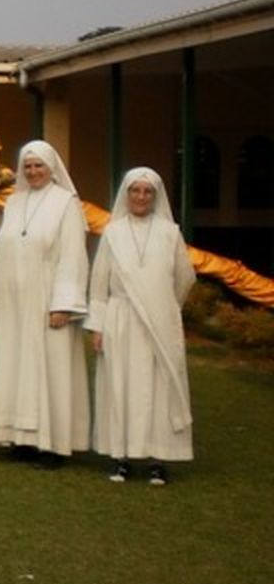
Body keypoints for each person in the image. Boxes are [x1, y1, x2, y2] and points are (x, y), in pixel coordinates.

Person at [0, 140, 89, 468]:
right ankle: (22, 438)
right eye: (27, 166)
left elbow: (73, 256)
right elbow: (4, 249)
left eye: (39, 165)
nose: (33, 171)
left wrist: (63, 304)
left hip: (47, 301)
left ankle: (53, 444)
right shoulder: (15, 203)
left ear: (52, 167)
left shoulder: (66, 203)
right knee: (16, 365)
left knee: (50, 368)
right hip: (14, 303)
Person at [87, 167, 195, 485]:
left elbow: (184, 278)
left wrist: (165, 307)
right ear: (126, 193)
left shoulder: (169, 232)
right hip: (121, 320)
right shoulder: (113, 232)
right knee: (121, 386)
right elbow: (98, 283)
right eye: (135, 191)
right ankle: (120, 456)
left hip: (159, 322)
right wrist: (98, 327)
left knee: (158, 389)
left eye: (147, 192)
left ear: (155, 196)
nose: (141, 197)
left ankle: (157, 458)